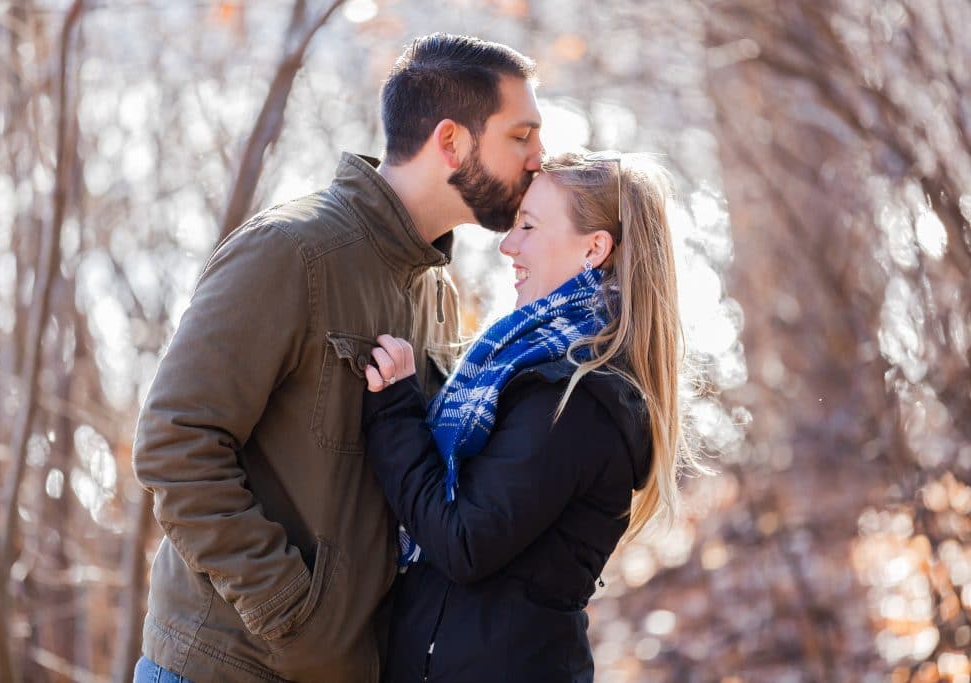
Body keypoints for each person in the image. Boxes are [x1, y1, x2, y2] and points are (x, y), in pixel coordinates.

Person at [132, 34, 543, 683]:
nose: (538, 159)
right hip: (228, 669)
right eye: (521, 136)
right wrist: (290, 613)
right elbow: (173, 441)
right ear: (451, 141)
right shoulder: (292, 251)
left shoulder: (431, 285)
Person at [361, 152, 698, 682]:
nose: (507, 244)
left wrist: (393, 412)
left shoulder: (577, 400)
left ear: (594, 248)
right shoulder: (527, 368)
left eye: (528, 226)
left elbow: (464, 542)